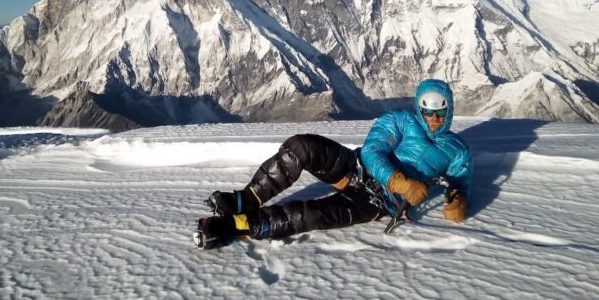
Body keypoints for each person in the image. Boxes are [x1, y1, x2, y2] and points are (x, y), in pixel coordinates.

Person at [194, 78, 473, 249]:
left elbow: (459, 183)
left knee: (313, 215)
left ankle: (238, 224)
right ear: (419, 108)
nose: (434, 118)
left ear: (448, 109)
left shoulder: (458, 150)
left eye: (440, 112)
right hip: (356, 168)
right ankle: (244, 200)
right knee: (301, 147)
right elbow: (374, 151)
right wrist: (400, 182)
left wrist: (458, 201)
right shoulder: (400, 120)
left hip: (377, 203)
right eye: (428, 111)